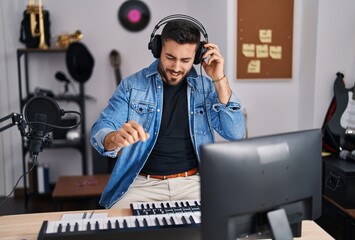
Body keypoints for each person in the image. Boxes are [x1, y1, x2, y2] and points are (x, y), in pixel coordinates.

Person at [90, 15, 246, 209]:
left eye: (186, 60)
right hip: (141, 185)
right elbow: (100, 130)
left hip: (193, 184)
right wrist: (115, 138)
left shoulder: (206, 88)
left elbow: (236, 133)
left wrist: (219, 78)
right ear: (157, 50)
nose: (177, 67)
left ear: (198, 57)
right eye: (170, 58)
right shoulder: (132, 86)